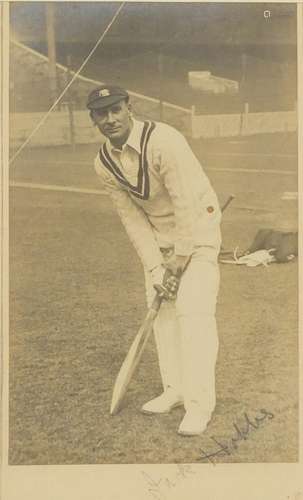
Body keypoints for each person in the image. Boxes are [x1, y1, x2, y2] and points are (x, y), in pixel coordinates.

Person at [87, 85, 222, 436]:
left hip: (199, 227)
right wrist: (156, 268)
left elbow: (185, 203)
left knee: (193, 313)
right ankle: (174, 389)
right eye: (102, 114)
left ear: (130, 108)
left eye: (116, 109)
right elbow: (132, 220)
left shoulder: (165, 141)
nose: (110, 119)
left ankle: (199, 405)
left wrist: (180, 257)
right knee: (161, 313)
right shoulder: (103, 163)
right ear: (94, 119)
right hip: (161, 239)